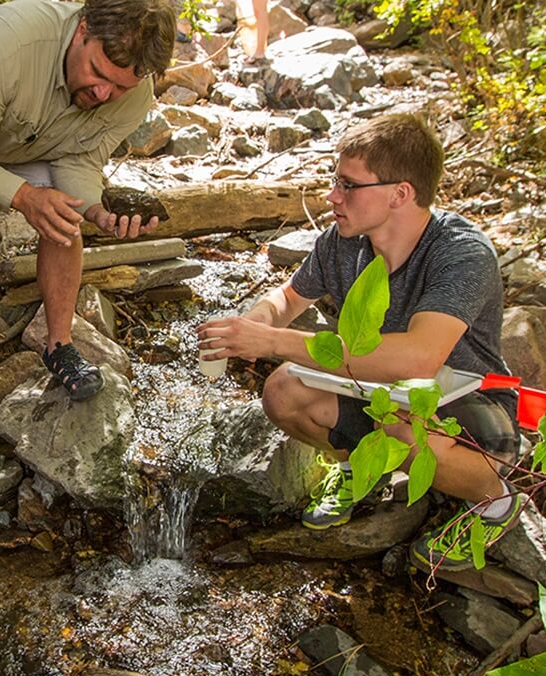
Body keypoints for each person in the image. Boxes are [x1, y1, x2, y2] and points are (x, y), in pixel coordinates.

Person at [196, 114, 522, 576]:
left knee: (403, 429)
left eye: (348, 185)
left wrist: (274, 341)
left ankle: (496, 502)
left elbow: (418, 356)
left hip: (474, 407)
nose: (333, 197)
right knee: (283, 392)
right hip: (382, 395)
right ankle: (359, 471)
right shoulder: (344, 242)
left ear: (400, 193)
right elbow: (287, 298)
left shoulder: (461, 253)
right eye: (335, 181)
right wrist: (247, 327)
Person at [0, 0, 176, 400]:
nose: (103, 94)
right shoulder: (7, 40)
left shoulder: (135, 96)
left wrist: (96, 211)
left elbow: (79, 159)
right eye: (98, 74)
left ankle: (58, 345)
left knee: (65, 222)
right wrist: (25, 196)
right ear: (83, 29)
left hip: (41, 139)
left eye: (120, 88)